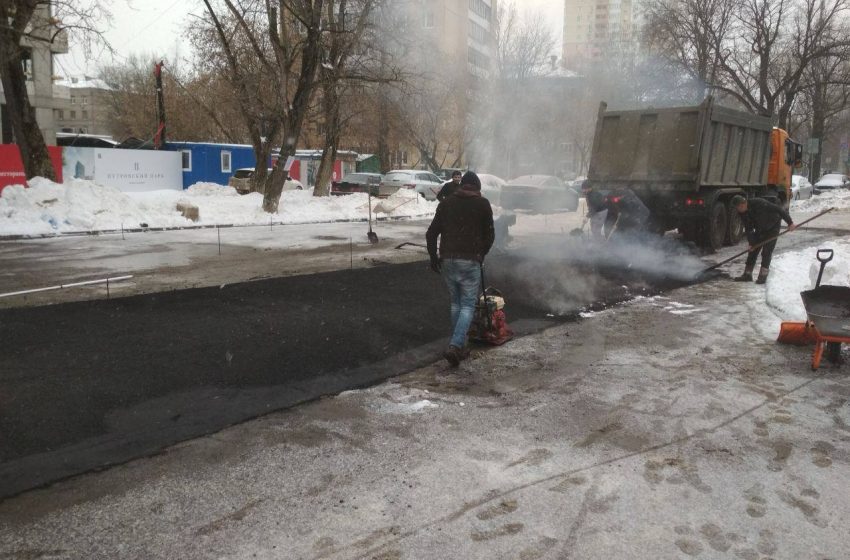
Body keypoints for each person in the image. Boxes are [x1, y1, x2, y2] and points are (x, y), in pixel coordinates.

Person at [426, 171, 495, 366]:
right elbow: (490, 234)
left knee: (456, 303)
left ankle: (459, 344)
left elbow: (431, 234)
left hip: (448, 259)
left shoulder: (446, 203)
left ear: (461, 185)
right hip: (470, 260)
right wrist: (481, 254)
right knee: (467, 305)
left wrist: (433, 258)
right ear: (477, 188)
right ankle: (456, 345)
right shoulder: (482, 204)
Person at [731, 195, 796, 284]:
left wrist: (790, 223)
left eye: (739, 207)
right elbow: (748, 228)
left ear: (743, 204)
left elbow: (779, 210)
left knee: (766, 252)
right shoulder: (742, 213)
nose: (738, 210)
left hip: (773, 227)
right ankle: (747, 274)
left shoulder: (759, 203)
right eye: (737, 208)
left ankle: (763, 276)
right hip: (760, 229)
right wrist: (751, 243)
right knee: (753, 250)